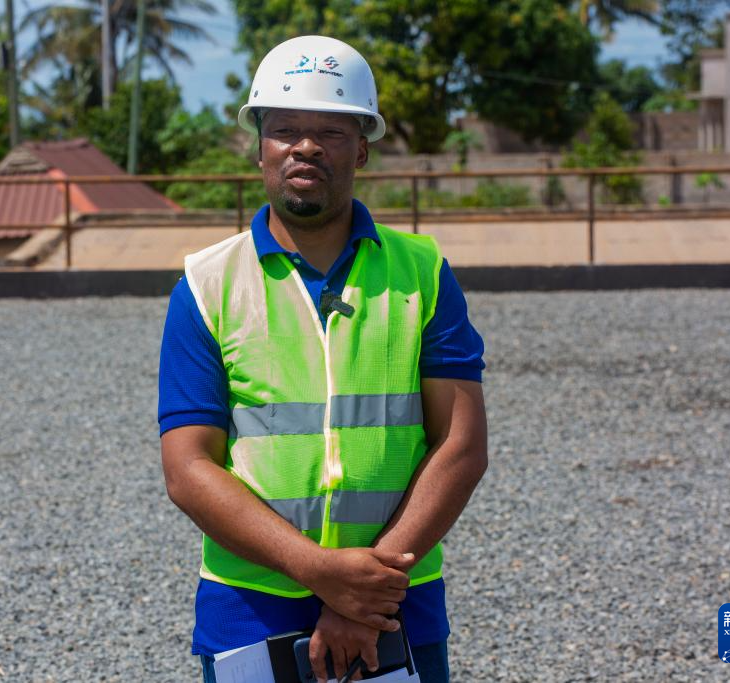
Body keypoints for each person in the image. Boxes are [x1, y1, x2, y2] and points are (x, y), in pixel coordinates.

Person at [158, 35, 488, 683]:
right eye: (285, 129)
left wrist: (365, 593)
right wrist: (320, 571)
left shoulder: (422, 272)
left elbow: (461, 445)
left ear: (361, 148)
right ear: (259, 146)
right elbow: (189, 468)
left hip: (395, 602)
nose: (305, 146)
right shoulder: (205, 284)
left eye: (331, 131)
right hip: (251, 606)